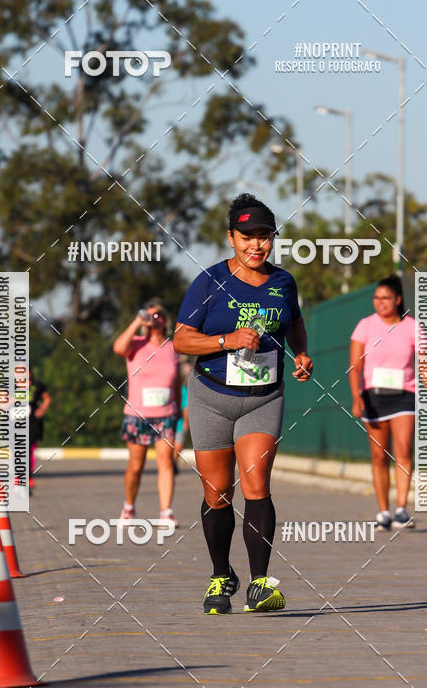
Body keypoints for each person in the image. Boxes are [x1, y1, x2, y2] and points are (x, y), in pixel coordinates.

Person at [174, 192, 313, 615]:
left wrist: (301, 353)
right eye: (246, 236)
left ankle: (259, 585)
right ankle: (221, 574)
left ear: (273, 238)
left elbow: (294, 322)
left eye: (264, 236)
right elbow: (181, 339)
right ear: (230, 238)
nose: (256, 245)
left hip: (263, 397)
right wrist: (226, 340)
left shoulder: (283, 282)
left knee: (256, 486)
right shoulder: (210, 281)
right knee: (218, 493)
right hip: (212, 397)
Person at [349, 274, 418, 531]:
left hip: (404, 395)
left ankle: (401, 509)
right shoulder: (365, 326)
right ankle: (383, 512)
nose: (380, 302)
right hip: (373, 397)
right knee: (379, 456)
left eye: (386, 298)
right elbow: (355, 367)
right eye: (376, 298)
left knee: (403, 450)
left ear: (398, 299)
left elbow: (424, 365)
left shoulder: (413, 327)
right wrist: (357, 398)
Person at [113, 299, 180, 525]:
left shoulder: (172, 347)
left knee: (166, 461)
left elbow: (177, 380)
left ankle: (166, 512)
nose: (154, 319)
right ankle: (128, 507)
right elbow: (118, 348)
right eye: (149, 315)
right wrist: (137, 322)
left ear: (165, 320)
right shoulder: (136, 344)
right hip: (137, 414)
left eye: (158, 315)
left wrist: (178, 410)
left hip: (166, 413)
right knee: (136, 465)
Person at [29, 370, 51, 491]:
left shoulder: (37, 385)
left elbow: (47, 399)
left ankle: (28, 476)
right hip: (15, 421)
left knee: (29, 449)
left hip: (33, 422)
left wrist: (42, 409)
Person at [173, 360, 191, 473]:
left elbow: (185, 407)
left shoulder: (183, 390)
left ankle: (173, 462)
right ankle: (171, 464)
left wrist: (186, 422)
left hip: (179, 423)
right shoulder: (169, 388)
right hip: (168, 422)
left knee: (178, 446)